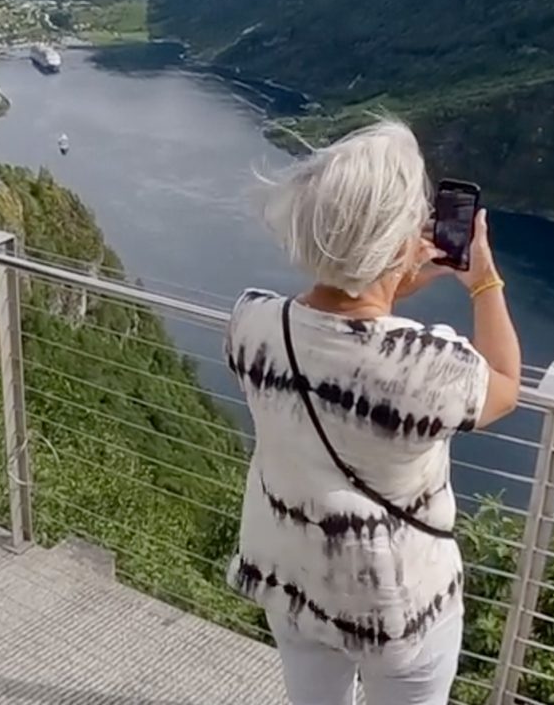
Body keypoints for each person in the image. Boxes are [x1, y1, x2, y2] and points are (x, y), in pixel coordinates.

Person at [226, 119, 523, 705]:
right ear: (394, 240)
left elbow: (341, 321)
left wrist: (387, 280)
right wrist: (484, 282)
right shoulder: (430, 365)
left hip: (293, 576)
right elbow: (506, 385)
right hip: (398, 604)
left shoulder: (252, 323)